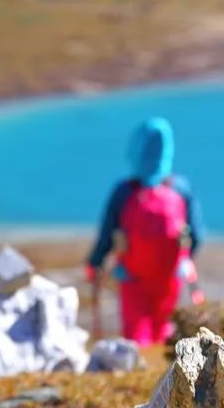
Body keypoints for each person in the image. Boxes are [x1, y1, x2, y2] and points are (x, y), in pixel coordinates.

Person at [86, 117, 204, 345]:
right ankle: (164, 374)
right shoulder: (181, 187)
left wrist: (95, 263)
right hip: (170, 275)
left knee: (135, 334)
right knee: (164, 328)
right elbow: (197, 234)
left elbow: (106, 234)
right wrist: (185, 259)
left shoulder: (123, 191)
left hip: (132, 276)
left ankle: (137, 372)